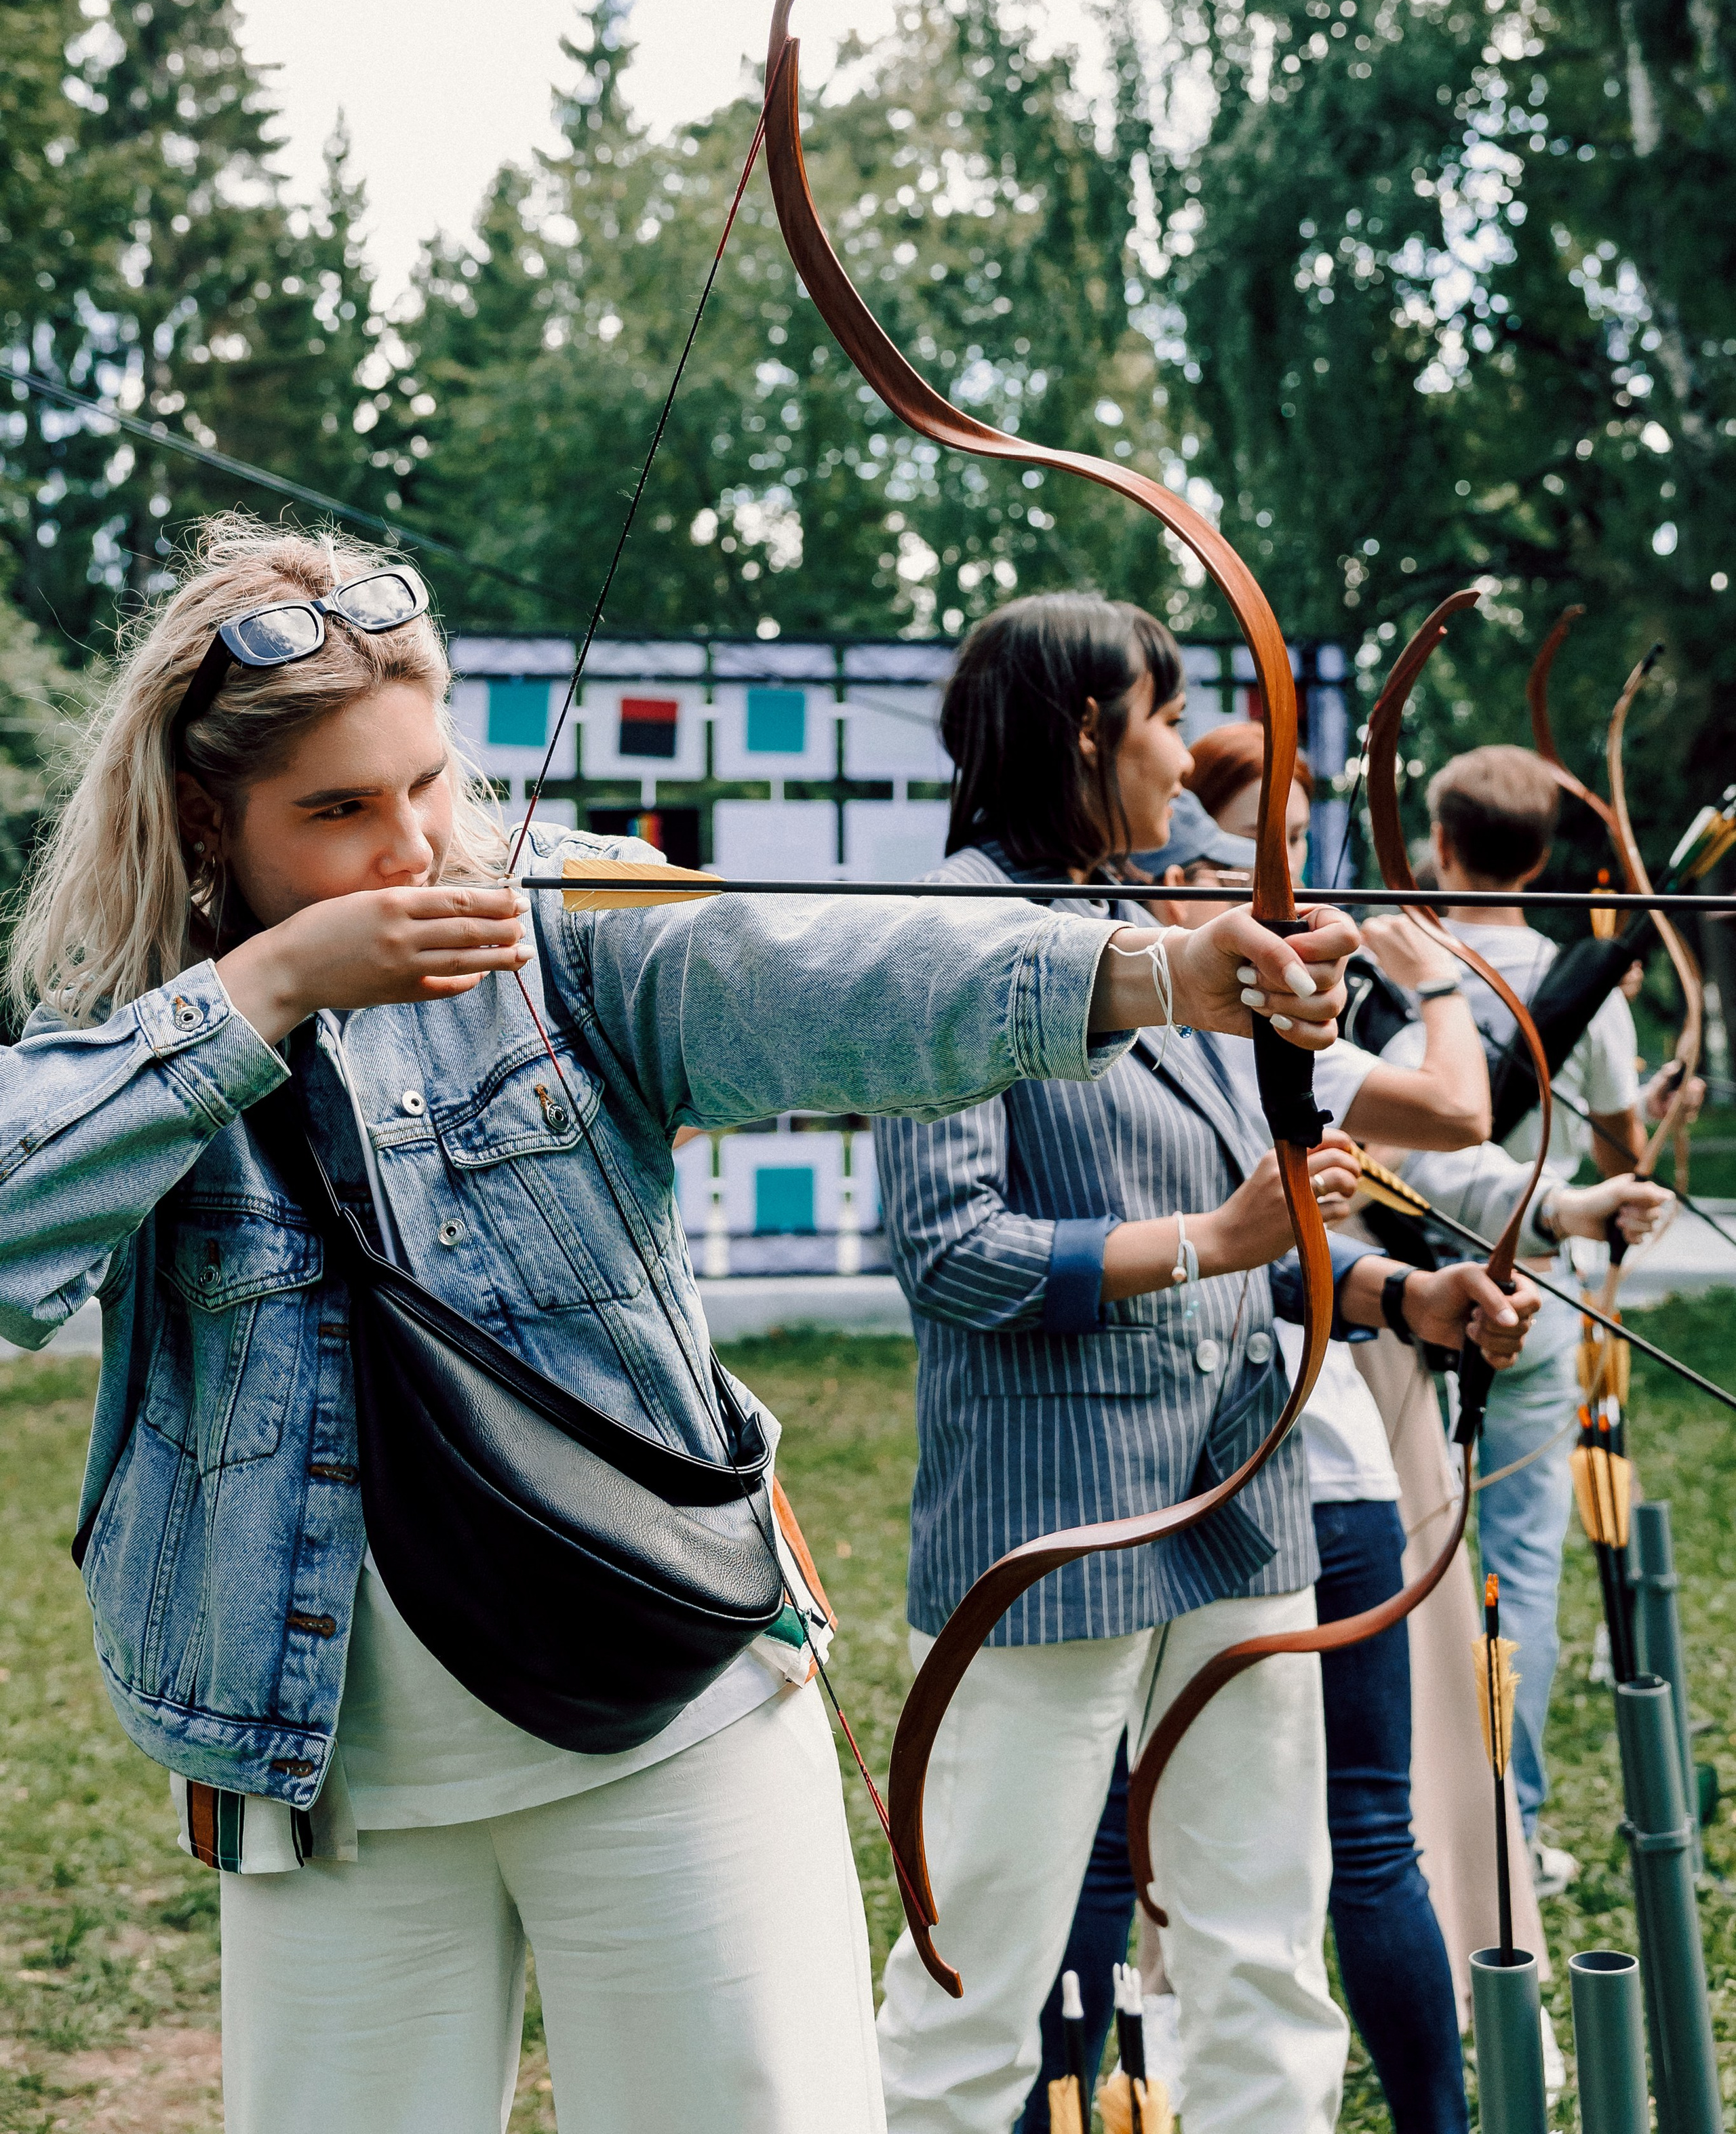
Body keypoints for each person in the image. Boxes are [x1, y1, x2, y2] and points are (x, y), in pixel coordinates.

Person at [0, 519, 1361, 2134]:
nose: (415, 844)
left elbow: (816, 973)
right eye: (340, 813)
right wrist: (275, 987)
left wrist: (1154, 969)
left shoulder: (554, 919)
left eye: (429, 783)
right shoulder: (143, 1030)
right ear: (207, 823)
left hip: (668, 1707)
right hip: (322, 1765)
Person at [870, 594, 1532, 2134]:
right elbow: (954, 1252)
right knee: (981, 1967)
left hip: (1237, 1492)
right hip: (1052, 1525)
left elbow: (1256, 1211)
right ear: (1089, 729)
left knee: (1258, 1943)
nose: (1181, 762)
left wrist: (1396, 1296)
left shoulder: (1143, 920)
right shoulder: (950, 929)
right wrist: (1218, 1246)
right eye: (1164, 719)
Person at [1383, 746, 1697, 1880]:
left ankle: (1420, 1824)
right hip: (1540, 1295)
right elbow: (1618, 1164)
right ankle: (1505, 1827)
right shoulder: (1581, 982)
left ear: (1444, 842)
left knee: (1423, 1549)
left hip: (1416, 1295)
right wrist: (1650, 1108)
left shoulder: (1411, 974)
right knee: (1522, 1557)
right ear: (1543, 857)